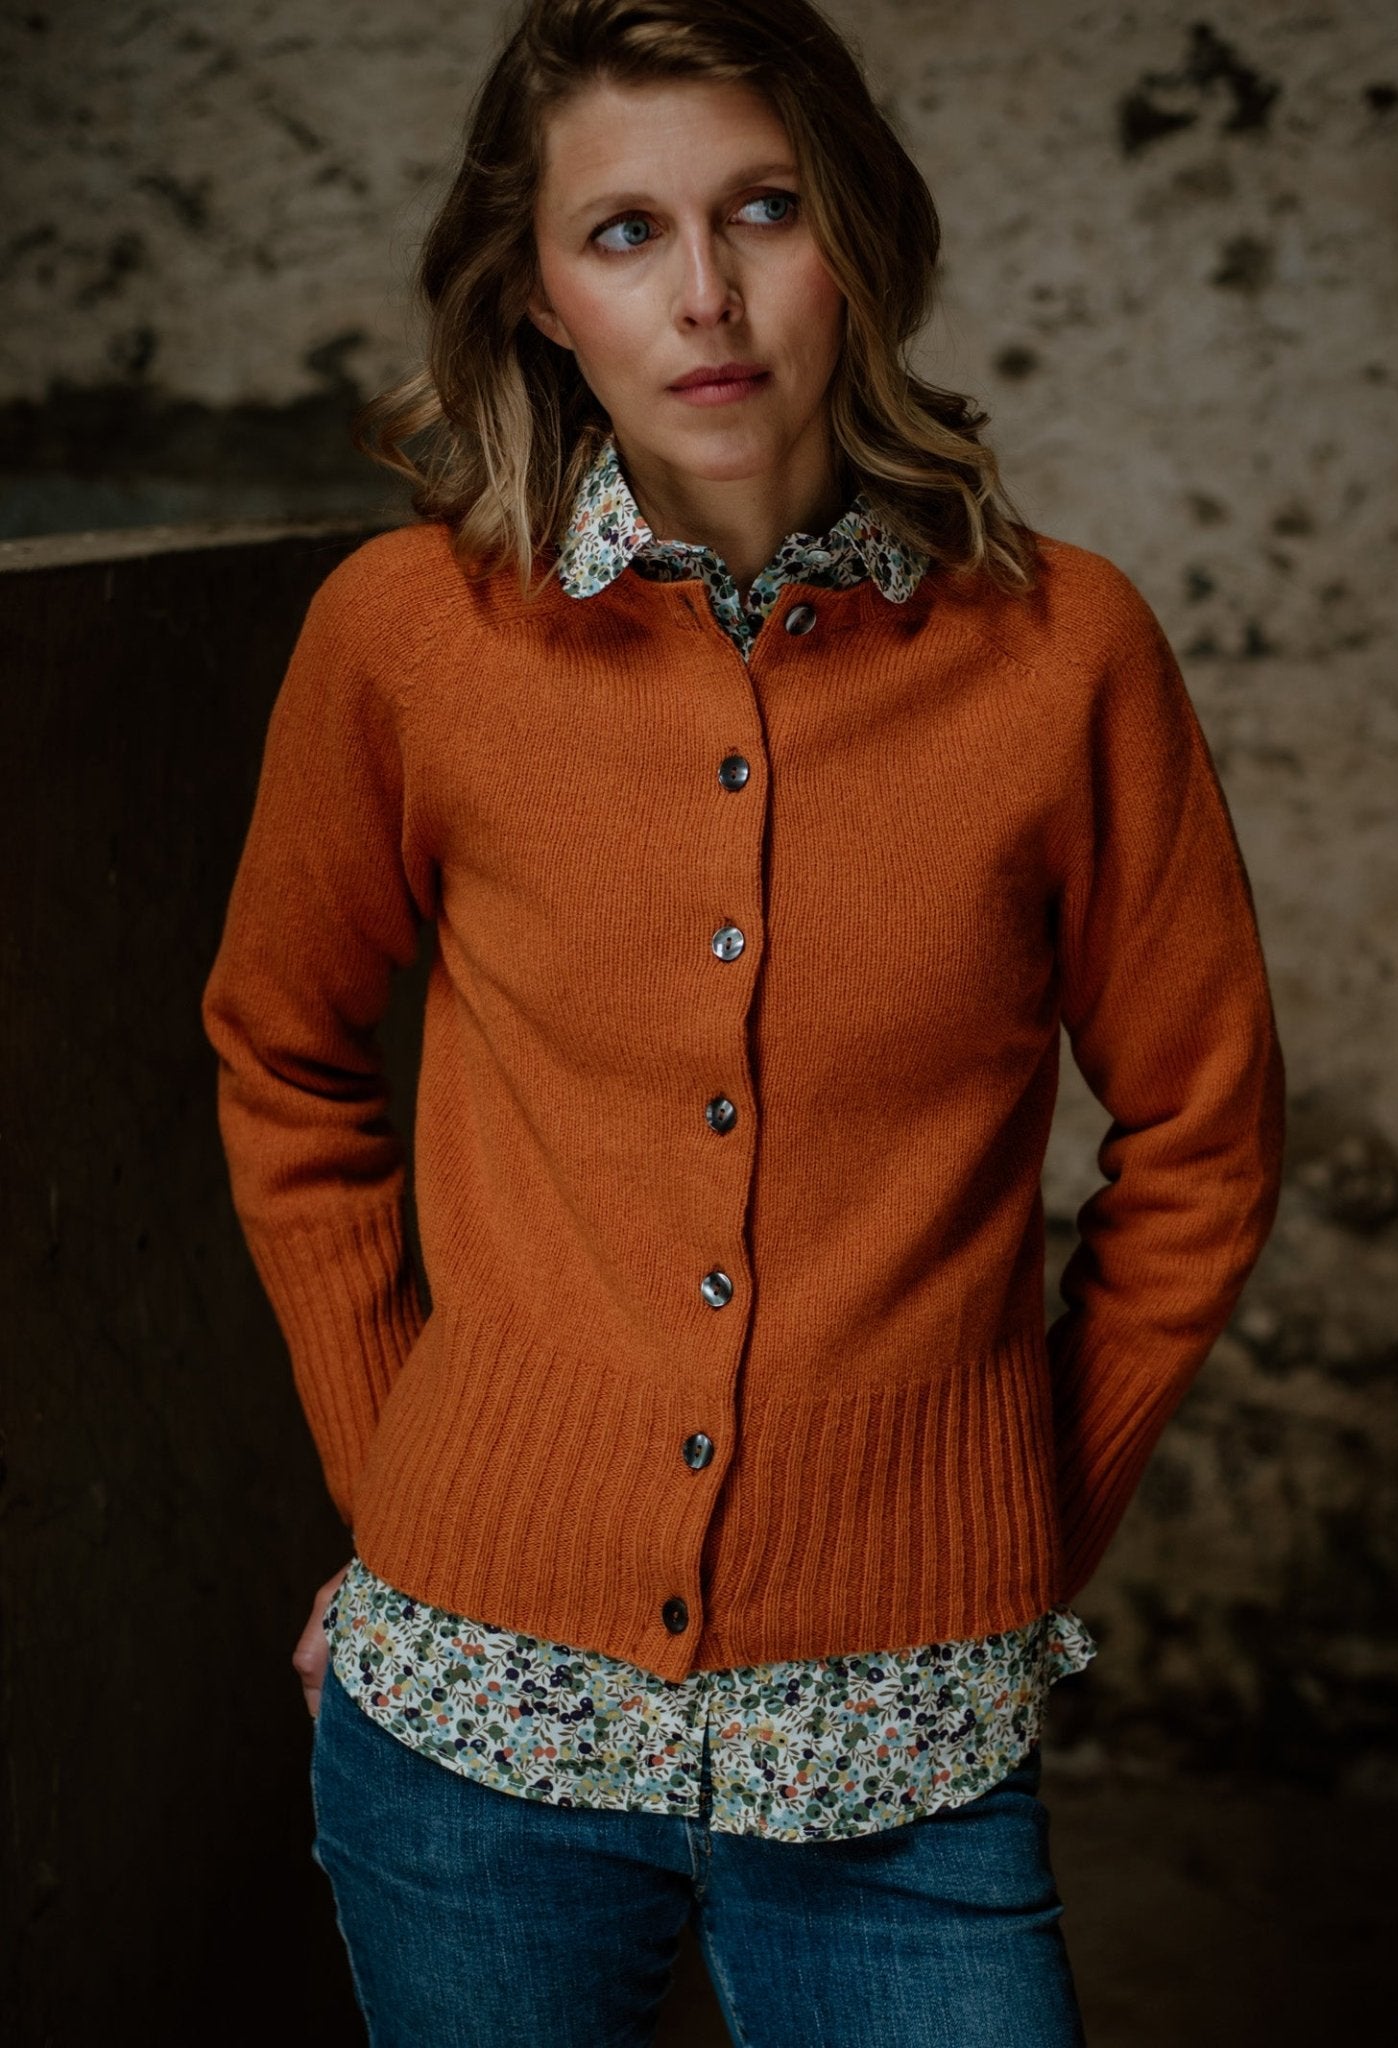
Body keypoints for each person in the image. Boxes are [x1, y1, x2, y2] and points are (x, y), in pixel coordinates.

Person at [200, 1, 1286, 2042]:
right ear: (536, 291)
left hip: (905, 1769)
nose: (703, 295)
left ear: (851, 232)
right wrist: (396, 1480)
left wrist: (1031, 1511)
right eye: (623, 232)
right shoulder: (407, 642)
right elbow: (284, 1057)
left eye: (760, 209)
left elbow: (1207, 1141)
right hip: (469, 1747)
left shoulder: (1066, 657)